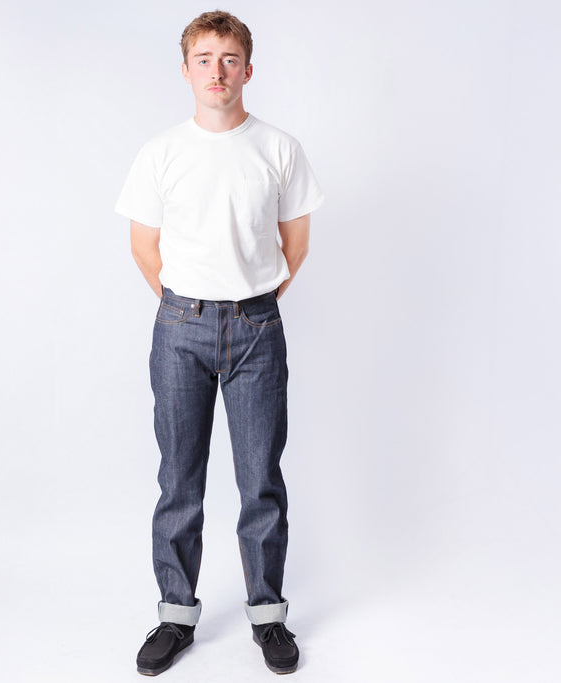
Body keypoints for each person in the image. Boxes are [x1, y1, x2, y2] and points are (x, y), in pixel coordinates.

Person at [115, 10, 324, 676]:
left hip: (257, 327)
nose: (217, 71)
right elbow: (144, 246)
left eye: (229, 59)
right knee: (180, 478)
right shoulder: (161, 152)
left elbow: (295, 243)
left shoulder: (279, 149)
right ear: (186, 70)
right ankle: (176, 613)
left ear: (248, 70)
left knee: (260, 479)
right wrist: (190, 306)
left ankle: (268, 616)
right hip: (180, 328)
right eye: (204, 59)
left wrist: (249, 301)